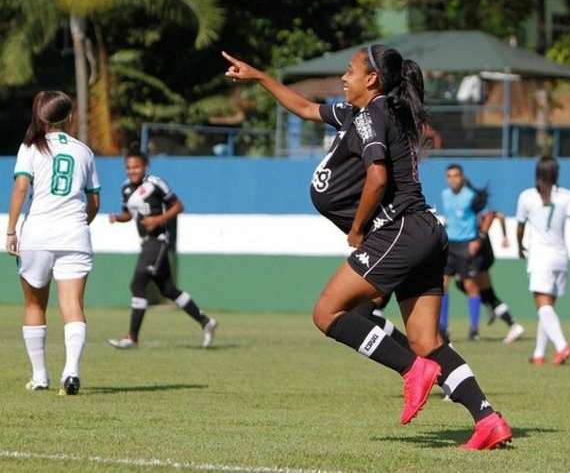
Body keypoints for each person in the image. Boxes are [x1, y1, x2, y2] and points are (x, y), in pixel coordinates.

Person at [223, 44, 511, 449]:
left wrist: (357, 229)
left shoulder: (374, 115)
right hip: (423, 232)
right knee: (428, 340)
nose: (343, 77)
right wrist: (260, 77)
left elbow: (376, 176)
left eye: (349, 71)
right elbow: (306, 109)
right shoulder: (358, 115)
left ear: (371, 79)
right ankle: (487, 420)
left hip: (399, 231)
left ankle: (413, 371)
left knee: (328, 312)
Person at [6, 91, 100, 395]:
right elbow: (94, 202)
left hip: (37, 235)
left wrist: (10, 231)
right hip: (74, 234)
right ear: (69, 117)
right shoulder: (84, 151)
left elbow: (21, 188)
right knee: (73, 305)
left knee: (35, 304)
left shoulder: (31, 147)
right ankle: (71, 371)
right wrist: (78, 225)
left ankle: (40, 376)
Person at [107, 146, 217, 349]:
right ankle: (206, 322)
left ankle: (132, 337)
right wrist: (117, 217)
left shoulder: (155, 184)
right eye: (128, 167)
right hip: (146, 242)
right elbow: (128, 215)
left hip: (158, 240)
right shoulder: (126, 188)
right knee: (168, 289)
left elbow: (178, 206)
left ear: (145, 167)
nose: (132, 171)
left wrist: (158, 219)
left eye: (136, 167)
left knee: (138, 283)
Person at [515, 155, 570, 365]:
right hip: (561, 257)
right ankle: (539, 354)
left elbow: (519, 227)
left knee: (542, 306)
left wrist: (519, 246)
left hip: (540, 257)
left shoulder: (527, 197)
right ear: (557, 174)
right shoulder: (568, 196)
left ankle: (562, 345)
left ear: (537, 173)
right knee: (548, 308)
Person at [453, 210, 525, 343]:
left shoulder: (473, 200)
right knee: (482, 291)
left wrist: (483, 237)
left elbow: (493, 215)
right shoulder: (466, 203)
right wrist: (504, 235)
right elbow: (500, 216)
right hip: (478, 250)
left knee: (470, 286)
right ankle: (511, 324)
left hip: (477, 250)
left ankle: (475, 330)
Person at [439, 164, 488, 341]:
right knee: (442, 286)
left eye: (456, 175)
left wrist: (478, 239)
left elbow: (485, 218)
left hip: (466, 246)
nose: (452, 179)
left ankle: (474, 329)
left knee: (470, 286)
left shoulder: (471, 196)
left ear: (462, 177)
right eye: (449, 176)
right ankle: (443, 327)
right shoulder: (445, 195)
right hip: (449, 246)